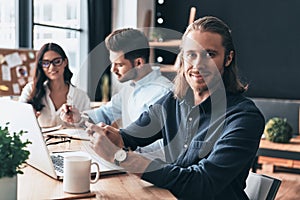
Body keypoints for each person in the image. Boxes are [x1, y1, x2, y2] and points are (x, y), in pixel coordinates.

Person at [85, 16, 265, 200]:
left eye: (209, 54)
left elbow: (201, 183)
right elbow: (130, 136)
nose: (197, 64)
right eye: (191, 54)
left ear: (228, 58)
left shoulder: (245, 118)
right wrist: (112, 136)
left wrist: (122, 157)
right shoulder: (173, 101)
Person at [60, 28, 173, 155]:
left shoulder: (164, 93)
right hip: (126, 160)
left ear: (139, 62)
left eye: (119, 64)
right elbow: (104, 114)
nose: (113, 69)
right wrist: (78, 117)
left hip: (146, 166)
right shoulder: (129, 88)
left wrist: (121, 144)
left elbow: (166, 144)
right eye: (112, 63)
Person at [19, 43, 90, 128]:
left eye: (57, 62)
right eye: (46, 63)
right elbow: (19, 119)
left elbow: (88, 127)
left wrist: (78, 119)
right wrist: (29, 118)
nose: (52, 67)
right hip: (39, 141)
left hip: (73, 141)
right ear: (41, 66)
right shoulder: (31, 89)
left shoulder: (81, 96)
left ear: (65, 62)